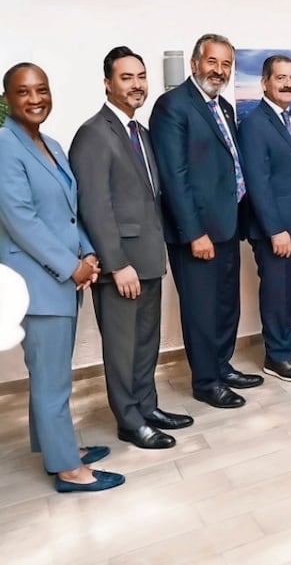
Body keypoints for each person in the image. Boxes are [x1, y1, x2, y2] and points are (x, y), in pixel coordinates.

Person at [0, 62, 124, 492]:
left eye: (41, 89)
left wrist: (87, 250)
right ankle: (69, 469)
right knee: (52, 380)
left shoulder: (49, 143)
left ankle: (57, 445)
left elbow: (71, 212)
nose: (35, 99)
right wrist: (71, 266)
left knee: (51, 375)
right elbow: (21, 220)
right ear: (6, 99)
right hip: (37, 284)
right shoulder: (4, 146)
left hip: (60, 280)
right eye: (23, 92)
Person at [69, 46, 194, 450]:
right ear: (107, 83)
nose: (137, 84)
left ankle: (147, 405)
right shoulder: (93, 133)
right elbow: (93, 206)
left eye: (141, 76)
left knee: (146, 343)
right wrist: (116, 263)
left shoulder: (140, 132)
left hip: (149, 258)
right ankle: (128, 419)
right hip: (121, 265)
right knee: (122, 348)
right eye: (127, 77)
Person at [150, 33, 262, 409]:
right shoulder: (173, 106)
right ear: (195, 63)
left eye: (226, 64)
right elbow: (174, 176)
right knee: (201, 308)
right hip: (197, 232)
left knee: (226, 303)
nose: (219, 70)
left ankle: (222, 365)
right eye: (212, 62)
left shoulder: (223, 107)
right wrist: (194, 232)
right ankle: (206, 380)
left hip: (227, 225)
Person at [236, 55, 291, 383]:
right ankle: (276, 356)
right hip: (275, 230)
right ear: (264, 82)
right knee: (275, 293)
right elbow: (258, 183)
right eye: (280, 78)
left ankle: (288, 344)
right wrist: (276, 229)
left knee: (288, 291)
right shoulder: (256, 123)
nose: (287, 84)